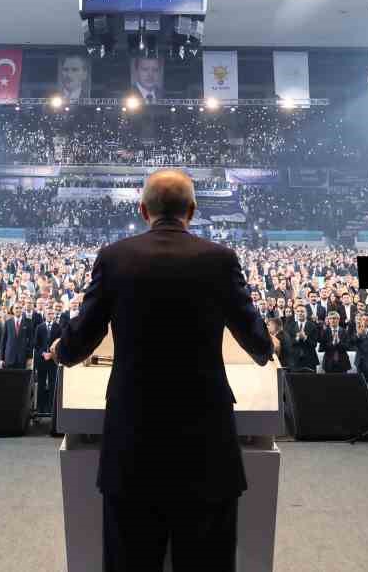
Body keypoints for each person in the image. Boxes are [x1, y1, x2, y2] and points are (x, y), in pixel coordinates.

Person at [50, 169, 271, 572]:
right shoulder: (220, 260)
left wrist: (61, 350)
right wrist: (265, 340)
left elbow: (80, 339)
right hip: (205, 444)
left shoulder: (114, 258)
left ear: (142, 210)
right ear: (192, 210)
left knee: (131, 560)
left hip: (134, 440)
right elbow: (259, 344)